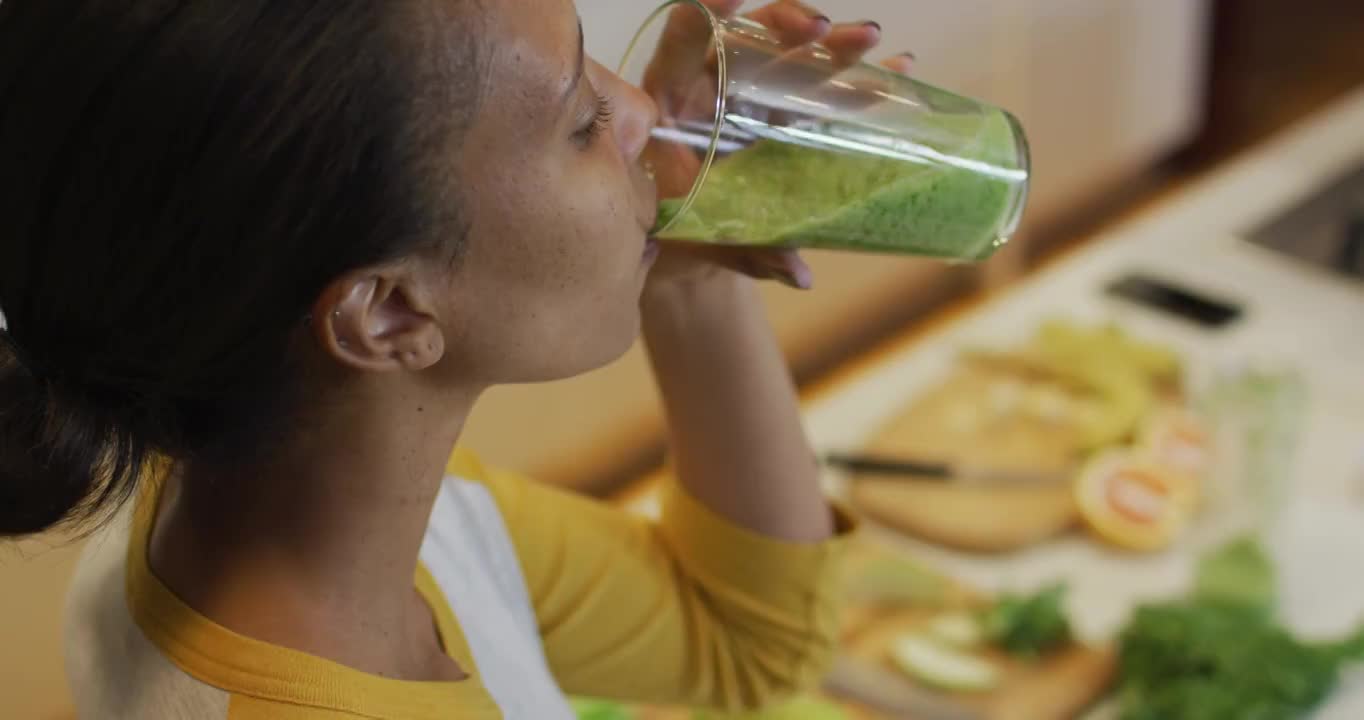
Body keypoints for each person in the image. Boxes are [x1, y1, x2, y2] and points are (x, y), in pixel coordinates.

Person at [0, 1, 912, 717]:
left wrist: (684, 256)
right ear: (389, 311)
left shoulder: (249, 504)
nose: (636, 107)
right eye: (582, 121)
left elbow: (743, 639)